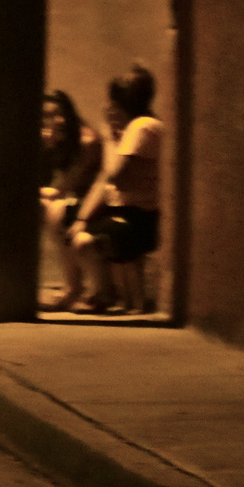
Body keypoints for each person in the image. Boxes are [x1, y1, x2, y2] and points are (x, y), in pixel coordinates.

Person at [69, 66, 164, 314]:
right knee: (70, 223)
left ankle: (104, 295)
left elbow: (116, 176)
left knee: (83, 243)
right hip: (125, 214)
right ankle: (96, 291)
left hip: (141, 219)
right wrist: (82, 218)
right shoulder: (135, 128)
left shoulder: (143, 127)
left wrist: (110, 137)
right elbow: (105, 181)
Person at [39, 90, 103, 311]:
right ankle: (71, 287)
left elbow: (61, 188)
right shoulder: (61, 142)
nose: (56, 121)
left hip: (98, 203)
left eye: (59, 113)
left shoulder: (87, 142)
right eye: (47, 116)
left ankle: (73, 289)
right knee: (47, 207)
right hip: (77, 200)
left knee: (55, 210)